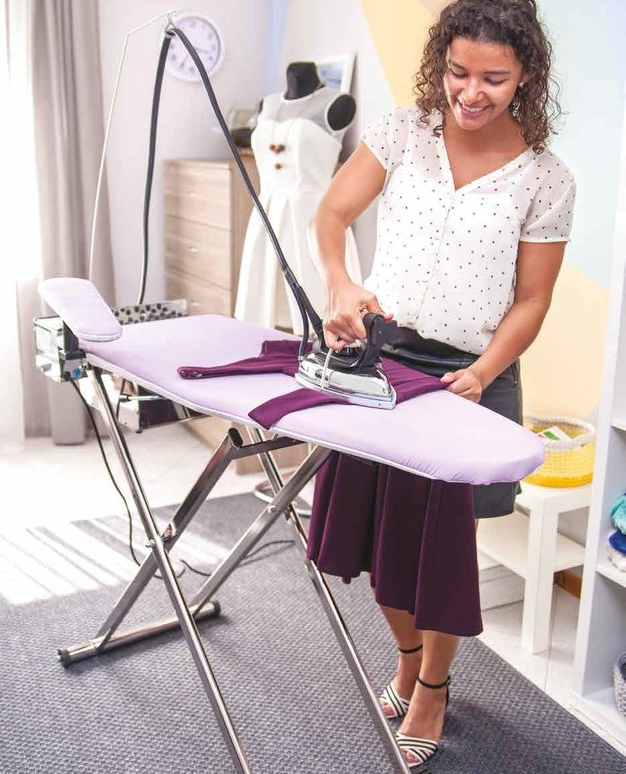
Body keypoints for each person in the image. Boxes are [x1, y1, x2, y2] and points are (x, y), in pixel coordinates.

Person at [310, 0, 576, 768]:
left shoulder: (547, 178)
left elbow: (532, 300)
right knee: (373, 537)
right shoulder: (402, 133)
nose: (471, 91)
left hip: (470, 376)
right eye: (459, 72)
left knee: (441, 554)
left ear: (525, 77)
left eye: (493, 78)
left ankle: (432, 686)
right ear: (441, 66)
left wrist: (485, 372)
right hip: (384, 358)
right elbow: (333, 213)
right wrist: (341, 283)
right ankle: (407, 658)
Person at [234, 62, 362, 334]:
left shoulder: (337, 104)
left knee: (317, 298)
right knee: (262, 306)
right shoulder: (267, 105)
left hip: (313, 215)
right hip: (267, 213)